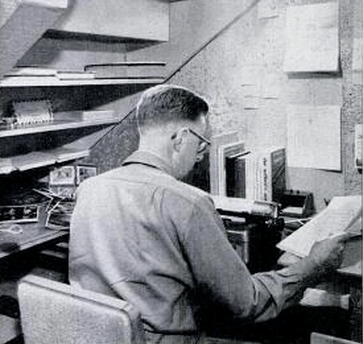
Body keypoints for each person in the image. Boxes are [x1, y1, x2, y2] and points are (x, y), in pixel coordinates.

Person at [69, 84, 349, 344]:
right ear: (180, 138)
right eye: (202, 144)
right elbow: (249, 304)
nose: (201, 155)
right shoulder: (189, 203)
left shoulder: (89, 189)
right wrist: (315, 265)